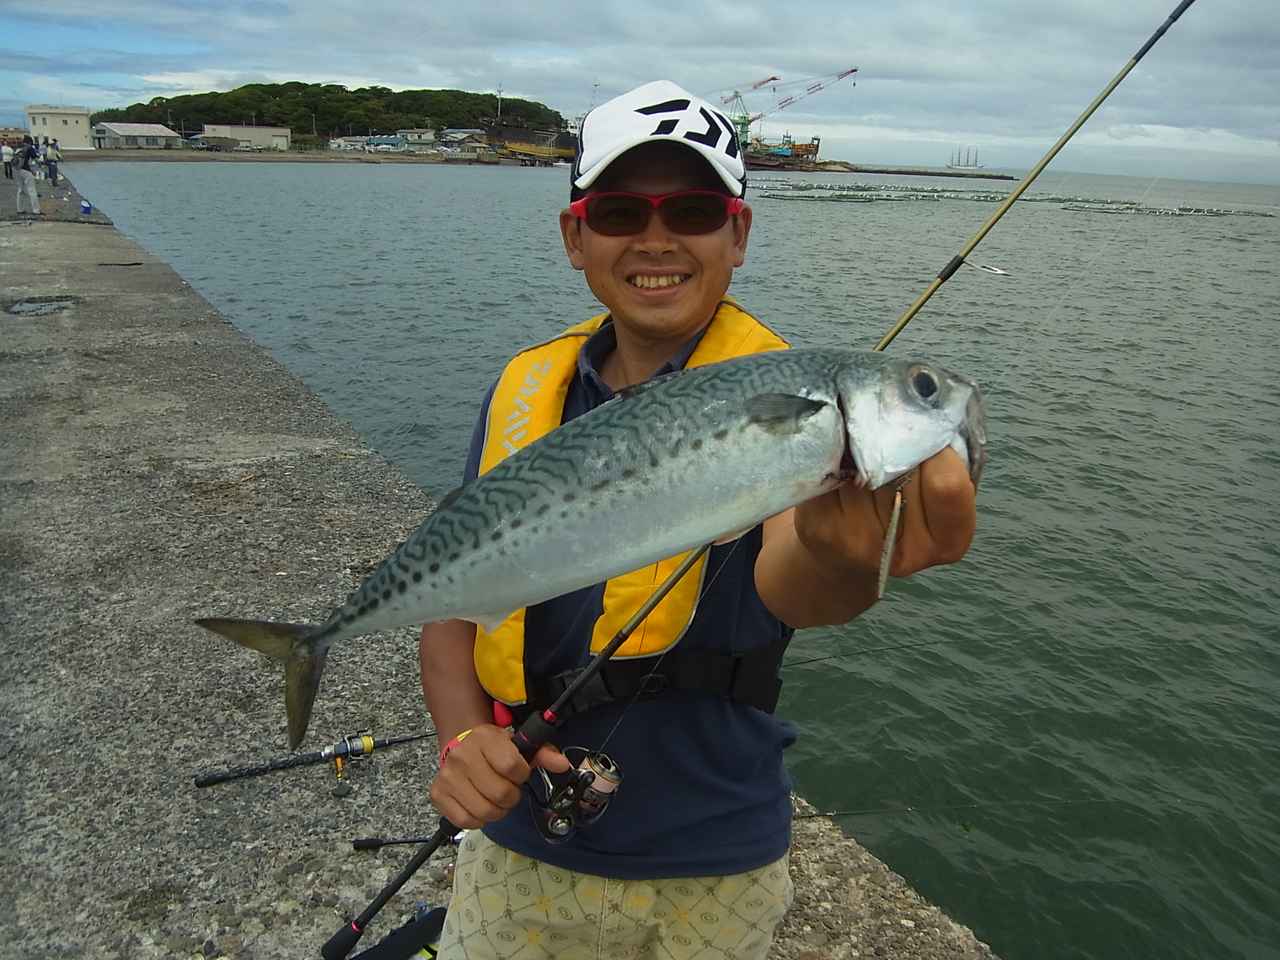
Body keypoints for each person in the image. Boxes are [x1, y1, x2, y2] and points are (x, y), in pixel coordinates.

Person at [420, 80, 978, 960]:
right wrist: (461, 734)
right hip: (519, 842)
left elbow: (795, 578)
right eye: (616, 212)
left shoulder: (787, 406)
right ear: (575, 236)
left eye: (691, 208)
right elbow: (451, 586)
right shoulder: (524, 389)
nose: (655, 239)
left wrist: (844, 561)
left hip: (715, 858)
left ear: (738, 233)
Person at [14, 135, 40, 216]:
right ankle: (36, 211)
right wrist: (41, 164)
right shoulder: (30, 148)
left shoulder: (19, 148)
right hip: (25, 171)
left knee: (20, 190)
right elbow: (35, 159)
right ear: (29, 142)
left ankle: (20, 210)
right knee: (32, 190)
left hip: (16, 170)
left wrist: (30, 170)